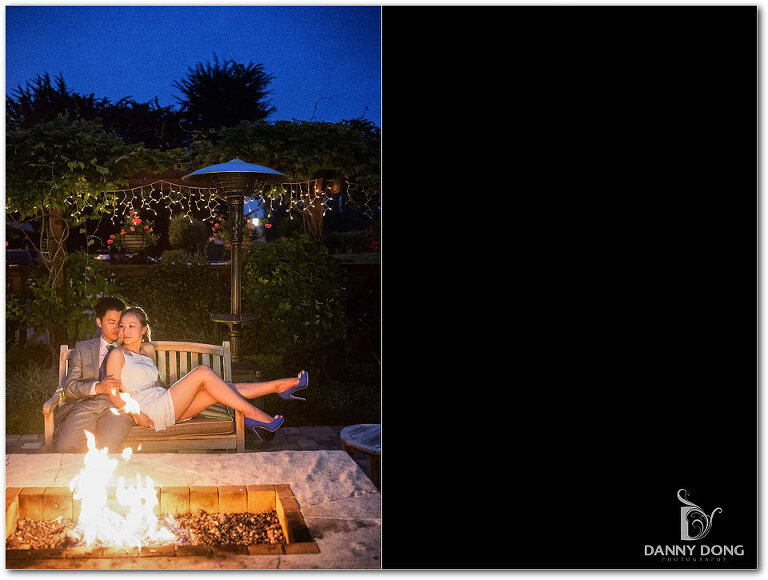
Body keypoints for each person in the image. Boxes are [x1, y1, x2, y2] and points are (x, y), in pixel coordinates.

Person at [105, 307, 308, 439]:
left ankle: (279, 386)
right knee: (202, 371)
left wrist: (177, 394)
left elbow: (154, 384)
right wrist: (138, 414)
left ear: (143, 330)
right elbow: (113, 394)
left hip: (163, 401)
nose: (125, 331)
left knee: (220, 390)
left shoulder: (147, 350)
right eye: (122, 326)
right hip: (149, 410)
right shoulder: (117, 354)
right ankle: (255, 414)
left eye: (131, 326)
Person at [53, 297, 135, 452]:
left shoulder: (131, 348)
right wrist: (98, 387)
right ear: (99, 322)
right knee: (65, 448)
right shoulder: (82, 348)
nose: (116, 328)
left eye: (120, 323)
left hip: (116, 406)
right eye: (111, 322)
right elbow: (69, 387)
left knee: (106, 449)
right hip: (85, 405)